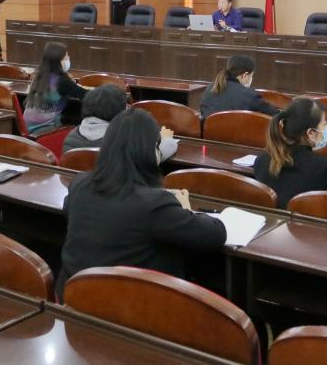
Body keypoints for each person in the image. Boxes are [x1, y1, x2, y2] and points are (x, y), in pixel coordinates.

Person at [57, 108, 226, 298]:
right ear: (149, 153)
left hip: (72, 298)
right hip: (126, 307)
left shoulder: (80, 184)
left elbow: (69, 210)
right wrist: (185, 209)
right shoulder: (155, 204)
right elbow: (216, 234)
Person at [63, 84, 179, 159]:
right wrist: (167, 140)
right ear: (118, 112)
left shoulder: (70, 138)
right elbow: (149, 160)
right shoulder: (123, 142)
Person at [24, 42, 86, 135]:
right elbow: (86, 95)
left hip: (27, 128)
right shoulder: (62, 81)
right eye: (66, 57)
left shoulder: (39, 76)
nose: (68, 59)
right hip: (45, 131)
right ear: (58, 61)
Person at [199, 55, 278, 118]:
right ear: (245, 75)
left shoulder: (210, 88)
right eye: (251, 76)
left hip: (209, 132)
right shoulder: (249, 95)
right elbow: (275, 114)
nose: (251, 79)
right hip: (235, 133)